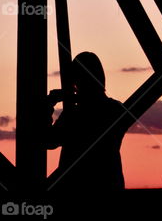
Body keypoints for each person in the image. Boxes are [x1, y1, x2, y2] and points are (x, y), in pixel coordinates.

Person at [46, 51, 128, 196]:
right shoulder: (117, 109)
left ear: (77, 81)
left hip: (75, 188)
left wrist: (48, 105)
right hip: (110, 185)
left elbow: (49, 141)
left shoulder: (75, 114)